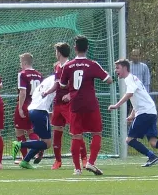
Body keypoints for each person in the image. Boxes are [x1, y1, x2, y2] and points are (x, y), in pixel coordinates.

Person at [109, 59, 158, 165]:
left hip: (145, 113)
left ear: (124, 68)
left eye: (117, 68)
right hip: (151, 112)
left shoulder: (129, 79)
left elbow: (129, 94)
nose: (116, 70)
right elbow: (139, 98)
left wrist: (116, 105)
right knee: (153, 143)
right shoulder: (133, 79)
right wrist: (132, 115)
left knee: (129, 140)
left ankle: (152, 157)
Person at [59, 35, 113, 175]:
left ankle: (77, 169)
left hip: (76, 104)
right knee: (97, 133)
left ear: (75, 48)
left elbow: (62, 84)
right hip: (90, 103)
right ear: (87, 48)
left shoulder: (68, 66)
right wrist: (106, 74)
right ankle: (90, 162)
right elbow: (109, 80)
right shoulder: (92, 64)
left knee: (76, 135)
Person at [42, 42, 88, 170]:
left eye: (56, 51)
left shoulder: (71, 66)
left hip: (69, 104)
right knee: (57, 131)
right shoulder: (57, 67)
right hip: (58, 103)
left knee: (75, 131)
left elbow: (76, 84)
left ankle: (84, 158)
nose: (55, 54)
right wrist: (47, 92)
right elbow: (57, 84)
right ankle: (57, 161)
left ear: (59, 52)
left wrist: (69, 94)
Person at [12, 74, 56, 169]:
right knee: (47, 144)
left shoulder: (47, 80)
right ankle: (20, 144)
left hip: (34, 110)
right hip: (40, 111)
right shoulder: (57, 80)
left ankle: (25, 161)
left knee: (42, 140)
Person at [13, 53, 43, 163]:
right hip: (36, 105)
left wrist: (20, 107)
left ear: (25, 63)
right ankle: (37, 150)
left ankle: (25, 157)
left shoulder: (22, 74)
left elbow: (23, 92)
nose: (20, 65)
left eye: (21, 62)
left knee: (19, 131)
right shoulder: (39, 75)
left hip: (26, 104)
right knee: (31, 130)